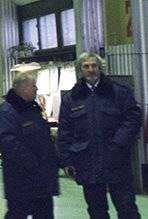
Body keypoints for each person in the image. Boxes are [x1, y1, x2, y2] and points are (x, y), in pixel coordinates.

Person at [57, 52, 142, 219]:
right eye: (86, 66)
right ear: (80, 70)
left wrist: (118, 143)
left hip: (116, 161)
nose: (91, 70)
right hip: (87, 163)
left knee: (127, 208)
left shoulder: (118, 92)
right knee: (97, 211)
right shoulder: (72, 98)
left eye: (94, 66)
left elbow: (133, 118)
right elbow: (65, 132)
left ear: (100, 68)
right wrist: (66, 160)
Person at [0, 72, 59, 219]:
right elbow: (7, 141)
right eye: (33, 86)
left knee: (44, 213)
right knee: (18, 213)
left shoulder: (32, 109)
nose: (36, 89)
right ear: (23, 88)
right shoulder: (7, 111)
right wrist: (32, 161)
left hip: (41, 177)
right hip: (20, 178)